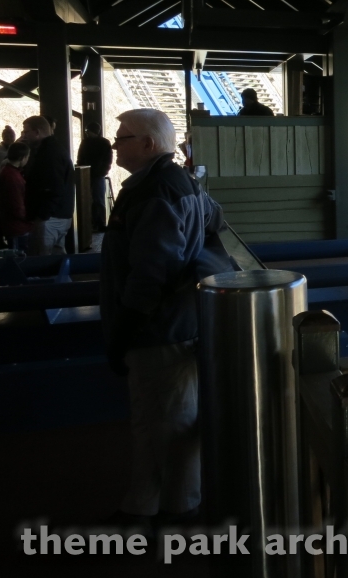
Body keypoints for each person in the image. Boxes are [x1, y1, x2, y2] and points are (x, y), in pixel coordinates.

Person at [100, 108, 230, 526]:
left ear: (148, 144)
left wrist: (123, 330)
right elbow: (216, 218)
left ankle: (164, 510)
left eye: (122, 137)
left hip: (157, 328)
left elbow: (151, 272)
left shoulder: (153, 191)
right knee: (170, 418)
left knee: (159, 420)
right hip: (178, 322)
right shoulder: (179, 182)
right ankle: (164, 504)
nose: (115, 144)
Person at [20, 115, 74, 255]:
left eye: (26, 132)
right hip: (59, 214)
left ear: (37, 132)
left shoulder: (48, 154)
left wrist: (42, 216)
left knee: (42, 264)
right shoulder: (53, 149)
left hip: (50, 218)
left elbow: (53, 187)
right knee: (57, 263)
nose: (24, 135)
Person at [77, 123, 113, 232]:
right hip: (95, 174)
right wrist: (103, 171)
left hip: (90, 174)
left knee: (95, 200)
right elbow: (108, 159)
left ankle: (97, 224)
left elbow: (80, 157)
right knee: (97, 200)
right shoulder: (104, 142)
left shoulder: (86, 142)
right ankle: (98, 224)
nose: (87, 132)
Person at [0, 142, 32, 252]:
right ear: (22, 157)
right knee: (19, 260)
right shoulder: (13, 177)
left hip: (14, 225)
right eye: (27, 156)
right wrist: (29, 219)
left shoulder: (9, 172)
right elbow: (16, 205)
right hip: (17, 227)